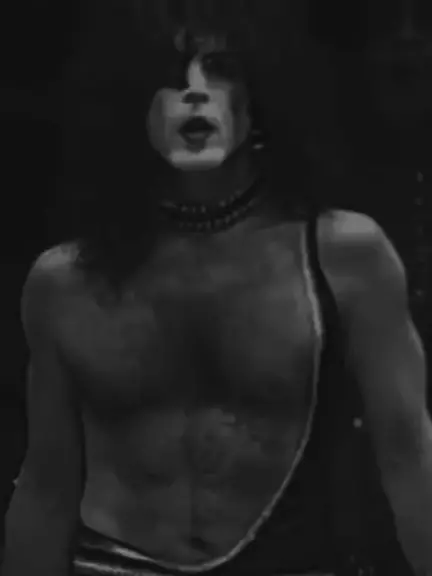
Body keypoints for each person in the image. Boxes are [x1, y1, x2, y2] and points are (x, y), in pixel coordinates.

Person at [3, 1, 432, 575]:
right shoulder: (64, 281)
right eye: (167, 74)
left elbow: (409, 459)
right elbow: (46, 485)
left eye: (221, 68)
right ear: (128, 101)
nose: (195, 91)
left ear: (261, 95)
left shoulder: (346, 256)